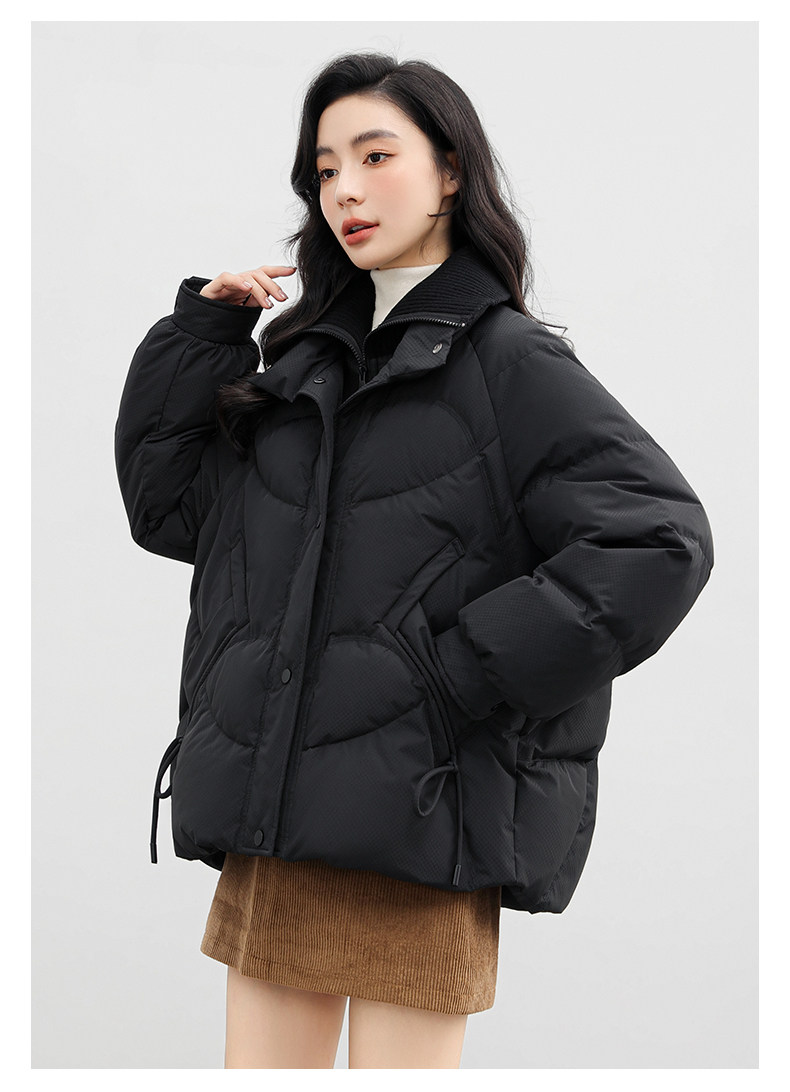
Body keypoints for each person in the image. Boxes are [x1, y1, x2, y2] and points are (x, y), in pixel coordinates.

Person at [114, 51, 714, 1069]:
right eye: (324, 169)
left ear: (450, 172)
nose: (344, 189)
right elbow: (172, 513)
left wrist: (465, 670)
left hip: (422, 822)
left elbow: (658, 538)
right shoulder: (303, 364)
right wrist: (207, 336)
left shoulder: (509, 361)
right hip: (278, 819)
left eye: (375, 156)